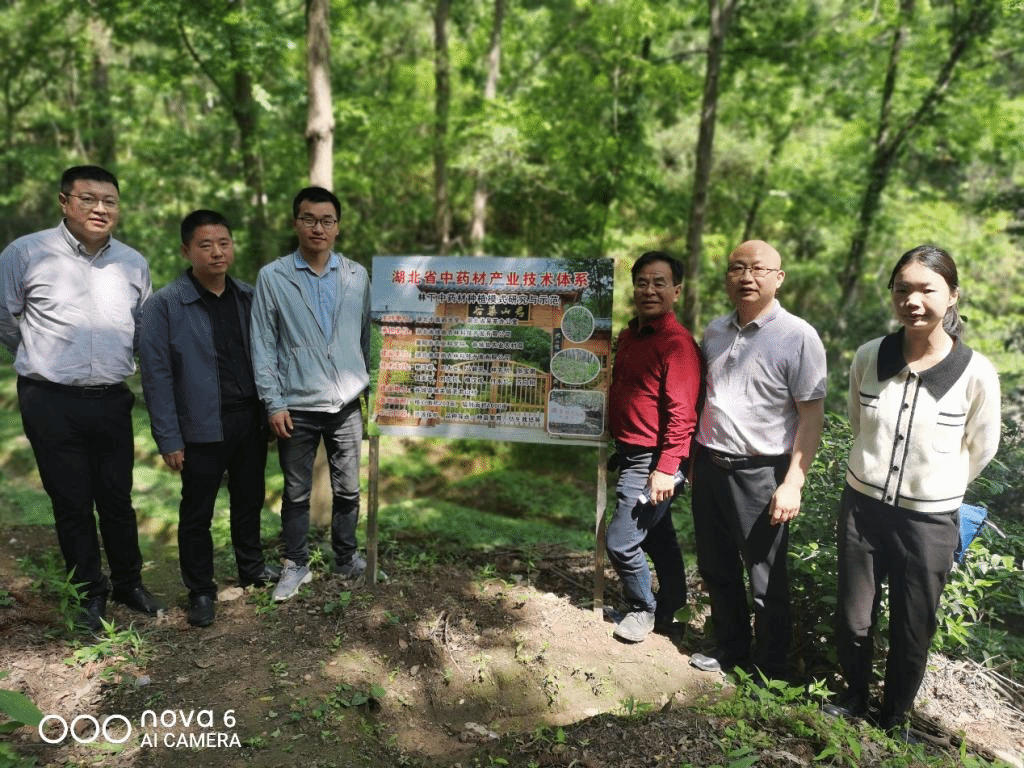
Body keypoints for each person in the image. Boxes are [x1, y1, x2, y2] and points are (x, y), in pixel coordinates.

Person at [823, 245, 1000, 739]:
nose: (913, 301)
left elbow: (982, 447)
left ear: (952, 295)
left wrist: (938, 487)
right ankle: (854, 697)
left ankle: (894, 716)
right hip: (862, 508)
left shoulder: (975, 373)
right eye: (902, 290)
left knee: (912, 626)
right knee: (854, 617)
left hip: (930, 522)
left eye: (927, 289)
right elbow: (860, 424)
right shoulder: (869, 356)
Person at [0, 165, 163, 631]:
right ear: (64, 202)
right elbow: (5, 319)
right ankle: (90, 593)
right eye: (88, 199)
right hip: (49, 400)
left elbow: (142, 329)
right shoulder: (25, 253)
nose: (100, 209)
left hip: (111, 400)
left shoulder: (132, 262)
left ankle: (129, 583)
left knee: (117, 498)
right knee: (71, 502)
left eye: (109, 201)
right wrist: (39, 356)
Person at [689, 239, 826, 679]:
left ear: (778, 278)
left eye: (758, 269)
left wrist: (793, 482)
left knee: (766, 578)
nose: (746, 277)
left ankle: (770, 670)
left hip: (763, 473)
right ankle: (729, 648)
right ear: (727, 276)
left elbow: (811, 416)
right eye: (737, 268)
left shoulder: (798, 336)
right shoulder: (715, 331)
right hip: (710, 464)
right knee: (717, 567)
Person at [139, 210, 280, 628]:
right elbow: (156, 376)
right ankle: (201, 590)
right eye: (206, 245)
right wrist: (168, 438)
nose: (217, 252)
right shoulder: (164, 305)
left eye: (224, 243)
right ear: (187, 250)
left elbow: (269, 356)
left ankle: (252, 568)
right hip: (200, 426)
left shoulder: (249, 297)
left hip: (248, 420)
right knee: (197, 511)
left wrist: (270, 410)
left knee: (249, 498)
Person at [251, 186, 371, 602]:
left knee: (349, 487)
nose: (317, 228)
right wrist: (273, 402)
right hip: (296, 405)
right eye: (309, 219)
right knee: (297, 491)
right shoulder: (274, 277)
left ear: (337, 227)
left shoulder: (356, 276)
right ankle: (296, 564)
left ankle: (347, 558)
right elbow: (263, 344)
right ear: (295, 223)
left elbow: (364, 337)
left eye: (326, 221)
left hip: (346, 403)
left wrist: (369, 388)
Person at [605, 251, 703, 643]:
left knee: (621, 542)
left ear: (675, 291)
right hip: (631, 452)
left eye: (659, 283)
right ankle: (671, 611)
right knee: (660, 540)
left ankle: (642, 607)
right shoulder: (630, 336)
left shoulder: (677, 344)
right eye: (642, 282)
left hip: (653, 461)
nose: (649, 290)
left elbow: (683, 414)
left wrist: (666, 468)